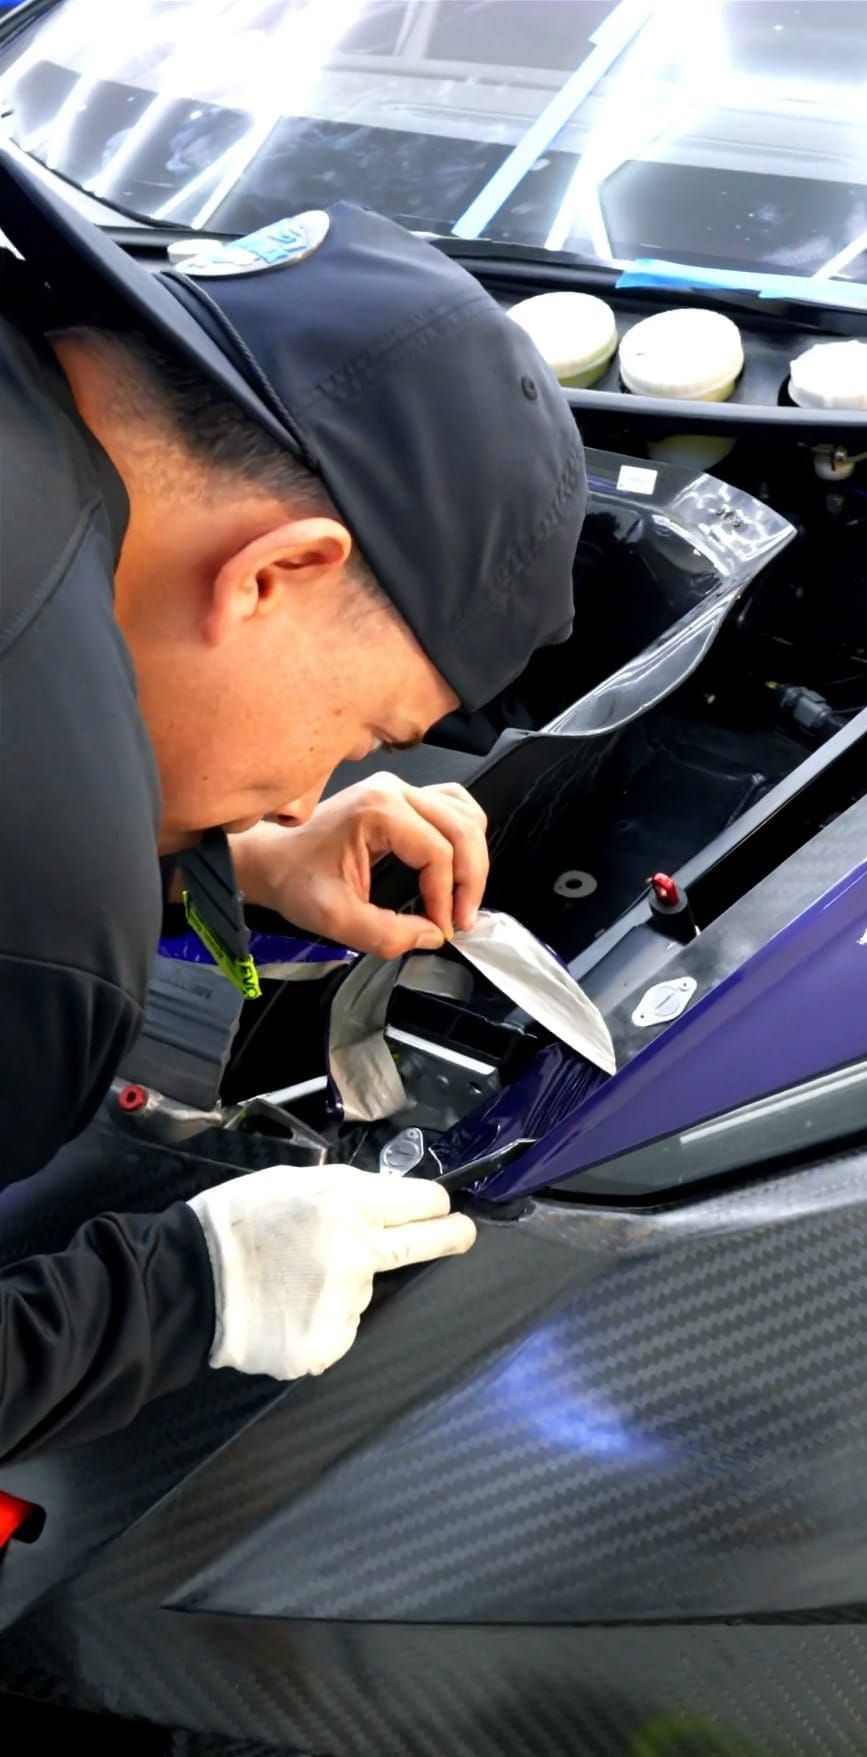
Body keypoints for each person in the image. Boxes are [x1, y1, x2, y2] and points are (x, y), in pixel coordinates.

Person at [0, 164, 586, 1462]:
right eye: (368, 733)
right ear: (279, 571)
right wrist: (185, 1292)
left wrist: (239, 862)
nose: (311, 790)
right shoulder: (41, 915)